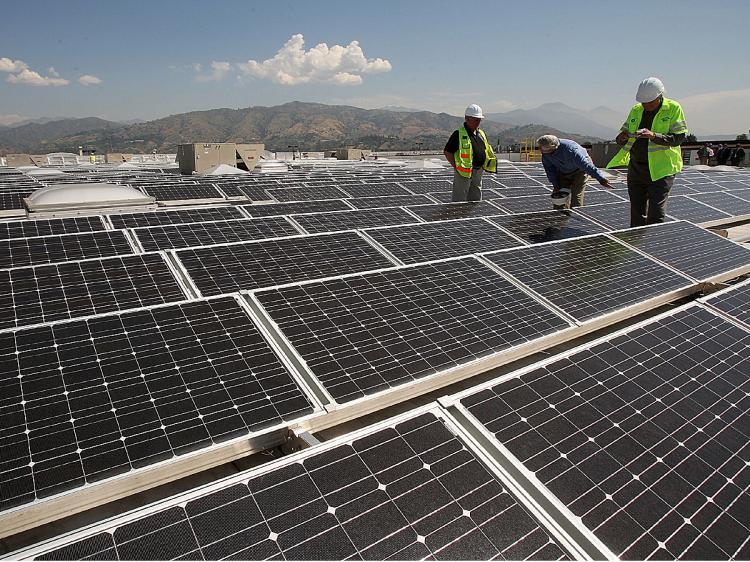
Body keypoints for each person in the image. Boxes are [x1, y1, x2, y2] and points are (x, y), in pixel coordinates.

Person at [608, 77, 688, 227]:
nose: (646, 106)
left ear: (660, 96)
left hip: (661, 169)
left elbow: (678, 138)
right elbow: (621, 137)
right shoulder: (636, 110)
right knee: (637, 211)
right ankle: (636, 245)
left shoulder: (673, 108)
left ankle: (653, 247)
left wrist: (654, 136)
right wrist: (622, 137)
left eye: (650, 102)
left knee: (655, 214)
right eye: (644, 103)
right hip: (637, 167)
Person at [537, 135, 612, 209]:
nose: (543, 152)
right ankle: (561, 216)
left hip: (580, 171)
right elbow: (550, 170)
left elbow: (586, 166)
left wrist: (601, 178)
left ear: (554, 147)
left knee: (576, 196)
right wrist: (556, 185)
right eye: (541, 149)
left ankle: (576, 217)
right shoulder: (546, 154)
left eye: (546, 150)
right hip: (563, 170)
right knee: (559, 196)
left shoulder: (571, 150)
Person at [443, 104, 497, 202]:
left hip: (478, 170)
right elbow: (447, 152)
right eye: (476, 119)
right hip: (463, 172)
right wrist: (456, 166)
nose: (478, 122)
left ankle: (474, 217)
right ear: (467, 119)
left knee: (475, 198)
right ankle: (458, 216)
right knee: (460, 199)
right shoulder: (458, 134)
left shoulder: (481, 133)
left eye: (479, 119)